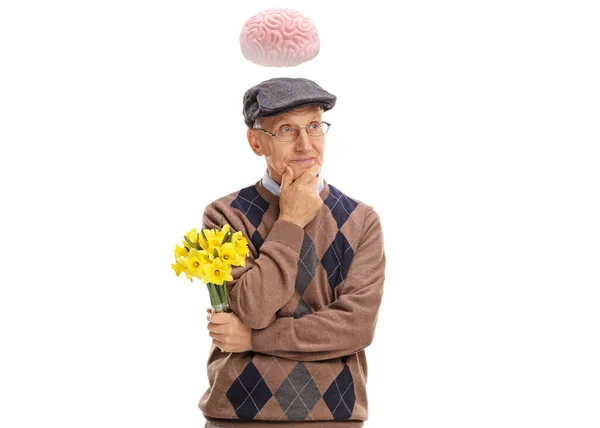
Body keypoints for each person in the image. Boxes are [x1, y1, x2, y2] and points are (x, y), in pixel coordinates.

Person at [199, 77, 385, 428]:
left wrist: (254, 339)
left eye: (314, 126)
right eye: (286, 129)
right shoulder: (224, 216)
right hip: (238, 417)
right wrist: (291, 220)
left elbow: (356, 327)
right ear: (256, 141)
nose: (305, 144)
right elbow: (253, 308)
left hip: (334, 417)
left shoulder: (361, 220)